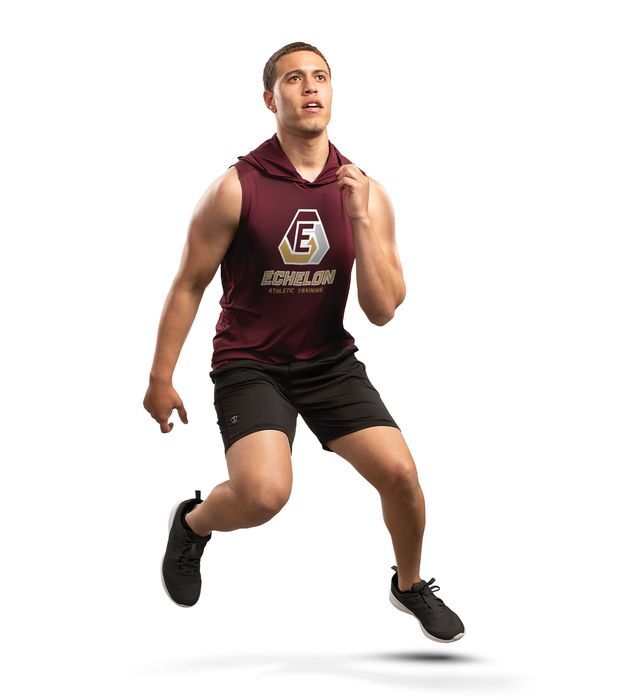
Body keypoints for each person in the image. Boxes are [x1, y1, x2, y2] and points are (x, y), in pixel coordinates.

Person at [143, 41, 465, 643]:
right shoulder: (236, 187)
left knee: (401, 475)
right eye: (294, 79)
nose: (310, 87)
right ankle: (193, 524)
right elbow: (189, 283)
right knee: (264, 495)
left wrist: (360, 217)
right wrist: (160, 378)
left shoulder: (365, 190)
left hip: (328, 362)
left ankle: (409, 585)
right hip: (250, 363)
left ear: (331, 92)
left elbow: (382, 310)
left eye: (320, 76)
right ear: (271, 99)